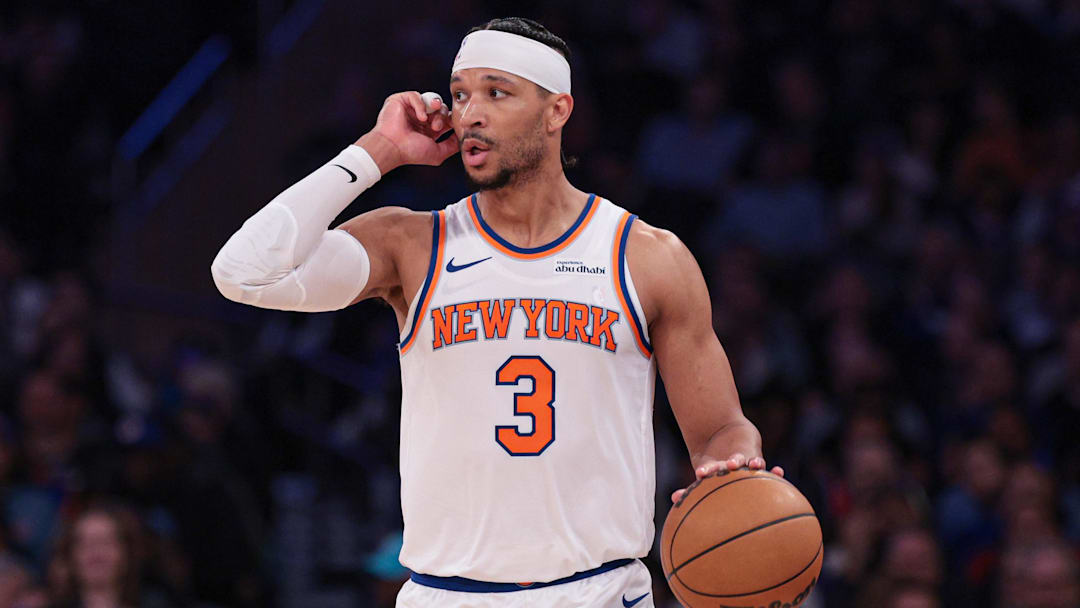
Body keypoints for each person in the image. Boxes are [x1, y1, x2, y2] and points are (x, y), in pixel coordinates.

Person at [210, 16, 781, 608]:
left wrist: (733, 465)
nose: (469, 113)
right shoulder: (412, 244)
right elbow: (244, 272)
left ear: (557, 111)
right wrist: (377, 151)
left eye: (496, 92)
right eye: (459, 95)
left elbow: (718, 428)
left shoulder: (646, 256)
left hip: (597, 591)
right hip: (446, 595)